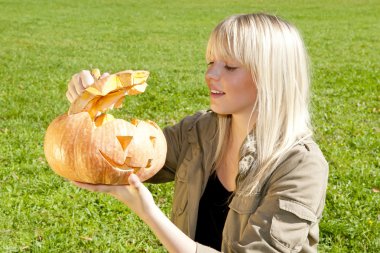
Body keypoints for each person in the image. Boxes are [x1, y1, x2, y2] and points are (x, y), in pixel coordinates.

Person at [69, 13, 329, 253]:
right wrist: (89, 104)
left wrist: (148, 212)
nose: (210, 74)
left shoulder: (302, 168)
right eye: (211, 62)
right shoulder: (198, 131)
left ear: (271, 77)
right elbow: (117, 157)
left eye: (229, 67)